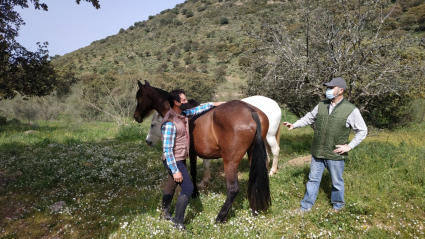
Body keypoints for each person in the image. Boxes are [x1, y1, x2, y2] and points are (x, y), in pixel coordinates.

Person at [283, 77, 367, 213]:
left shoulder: (350, 110)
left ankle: (338, 206)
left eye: (331, 88)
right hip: (318, 151)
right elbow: (309, 117)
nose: (327, 90)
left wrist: (349, 146)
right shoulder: (322, 105)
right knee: (312, 180)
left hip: (335, 153)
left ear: (341, 90)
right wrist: (295, 124)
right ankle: (305, 207)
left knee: (337, 182)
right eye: (327, 87)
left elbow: (363, 130)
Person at [160, 89, 225, 230]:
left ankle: (164, 213)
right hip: (174, 160)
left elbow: (196, 109)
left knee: (172, 185)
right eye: (183, 100)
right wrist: (175, 170)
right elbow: (167, 150)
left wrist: (214, 104)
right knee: (188, 187)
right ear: (176, 102)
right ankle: (178, 222)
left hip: (179, 158)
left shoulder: (181, 114)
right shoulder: (170, 123)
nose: (186, 102)